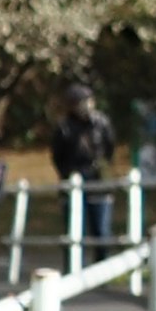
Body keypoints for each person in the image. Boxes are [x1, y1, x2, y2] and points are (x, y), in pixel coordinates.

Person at [45, 80, 120, 258]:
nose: (86, 105)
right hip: (74, 178)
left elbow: (109, 147)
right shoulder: (64, 128)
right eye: (81, 101)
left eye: (88, 100)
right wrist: (69, 174)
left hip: (99, 180)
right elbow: (58, 156)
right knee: (73, 230)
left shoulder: (102, 123)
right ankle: (73, 270)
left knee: (101, 231)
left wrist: (101, 167)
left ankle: (102, 270)